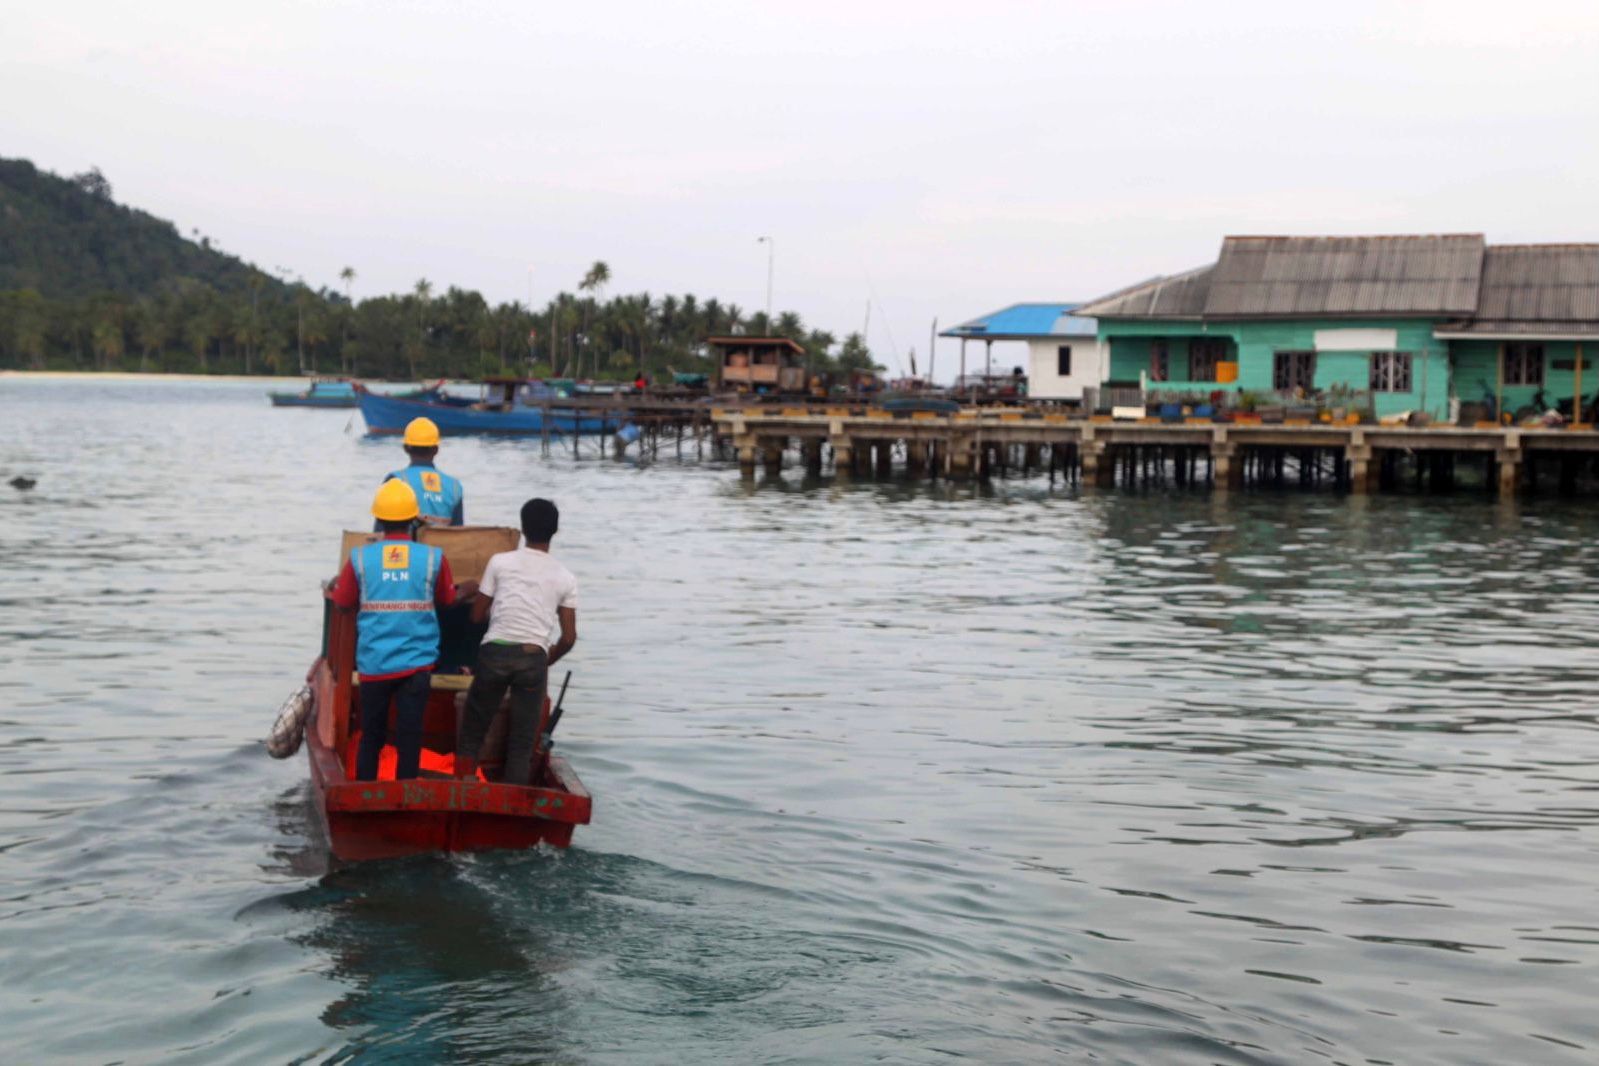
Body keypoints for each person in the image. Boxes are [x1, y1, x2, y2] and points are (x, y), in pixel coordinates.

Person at [332, 480, 475, 780]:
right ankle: (407, 793)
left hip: (374, 664)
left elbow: (343, 602)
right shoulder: (433, 558)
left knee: (372, 737)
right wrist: (469, 588)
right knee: (410, 737)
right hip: (416, 665)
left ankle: (366, 796)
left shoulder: (359, 558)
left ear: (379, 520)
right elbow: (447, 599)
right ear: (413, 519)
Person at [456, 498, 578, 785]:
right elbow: (569, 638)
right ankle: (512, 802)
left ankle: (462, 788)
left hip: (494, 652)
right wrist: (544, 659)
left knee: (474, 730)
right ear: (555, 531)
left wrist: (478, 592)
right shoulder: (566, 577)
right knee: (522, 741)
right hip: (533, 657)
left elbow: (475, 616)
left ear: (523, 528)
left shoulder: (500, 562)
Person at [385, 417, 464, 527]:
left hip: (405, 544)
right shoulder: (455, 486)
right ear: (436, 450)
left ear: (405, 449)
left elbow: (381, 531)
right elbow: (458, 534)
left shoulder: (395, 480)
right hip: (443, 544)